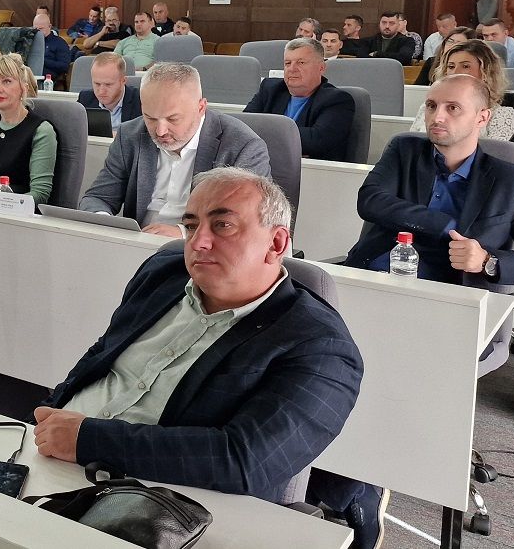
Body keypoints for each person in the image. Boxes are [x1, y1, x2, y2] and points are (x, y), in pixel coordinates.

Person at [36, 168, 363, 507]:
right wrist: (52, 411)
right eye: (191, 226)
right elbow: (104, 352)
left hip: (156, 501)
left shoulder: (321, 346)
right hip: (50, 453)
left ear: (276, 243)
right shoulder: (163, 273)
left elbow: (246, 461)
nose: (198, 242)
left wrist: (89, 440)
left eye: (222, 225)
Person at [346, 73, 514, 285]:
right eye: (431, 106)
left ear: (482, 118)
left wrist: (487, 262)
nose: (437, 117)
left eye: (453, 108)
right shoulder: (404, 150)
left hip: (453, 295)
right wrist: (442, 224)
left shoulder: (512, 182)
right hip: (376, 277)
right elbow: (370, 200)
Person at [78, 62, 270, 237]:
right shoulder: (130, 135)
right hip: (138, 243)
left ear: (201, 107)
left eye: (173, 119)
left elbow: (248, 219)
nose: (160, 131)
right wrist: (104, 221)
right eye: (150, 118)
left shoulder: (243, 146)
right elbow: (97, 197)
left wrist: (184, 233)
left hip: (205, 249)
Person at [244, 38, 356, 162]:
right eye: (287, 63)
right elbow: (244, 127)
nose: (292, 69)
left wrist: (262, 137)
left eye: (301, 62)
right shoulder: (270, 89)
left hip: (310, 170)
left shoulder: (338, 100)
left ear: (321, 67)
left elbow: (316, 141)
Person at [0, 54, 57, 204]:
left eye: (6, 81)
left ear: (23, 87)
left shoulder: (41, 131)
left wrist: (0, 204)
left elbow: (40, 194)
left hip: (18, 213)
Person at [411, 39, 514, 142]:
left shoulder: (501, 114)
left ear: (485, 72)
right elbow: (412, 146)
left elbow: (497, 154)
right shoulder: (428, 107)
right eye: (451, 67)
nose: (455, 72)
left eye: (465, 66)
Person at [77, 52, 141, 137]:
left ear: (123, 81)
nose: (101, 91)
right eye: (97, 84)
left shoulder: (140, 100)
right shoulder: (85, 99)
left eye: (108, 84)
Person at [33, 13, 73, 83]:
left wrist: (42, 61)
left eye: (40, 29)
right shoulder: (30, 42)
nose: (37, 32)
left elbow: (64, 66)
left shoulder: (59, 43)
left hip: (48, 77)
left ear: (49, 26)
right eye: (35, 29)